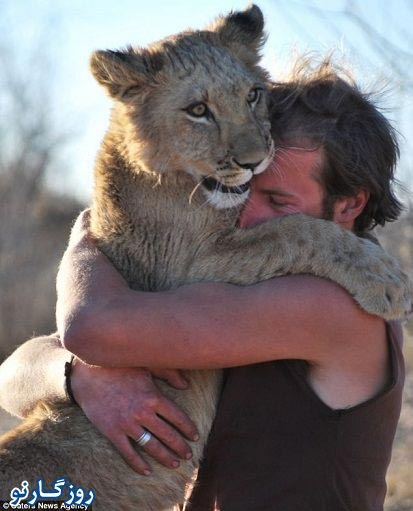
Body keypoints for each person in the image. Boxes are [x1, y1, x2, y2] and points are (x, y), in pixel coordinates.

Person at [0, 60, 406, 510]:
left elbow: (89, 328)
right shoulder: (244, 274)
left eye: (277, 200)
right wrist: (78, 377)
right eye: (240, 189)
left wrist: (87, 236)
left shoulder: (330, 304)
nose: (245, 218)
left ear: (349, 204)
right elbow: (12, 377)